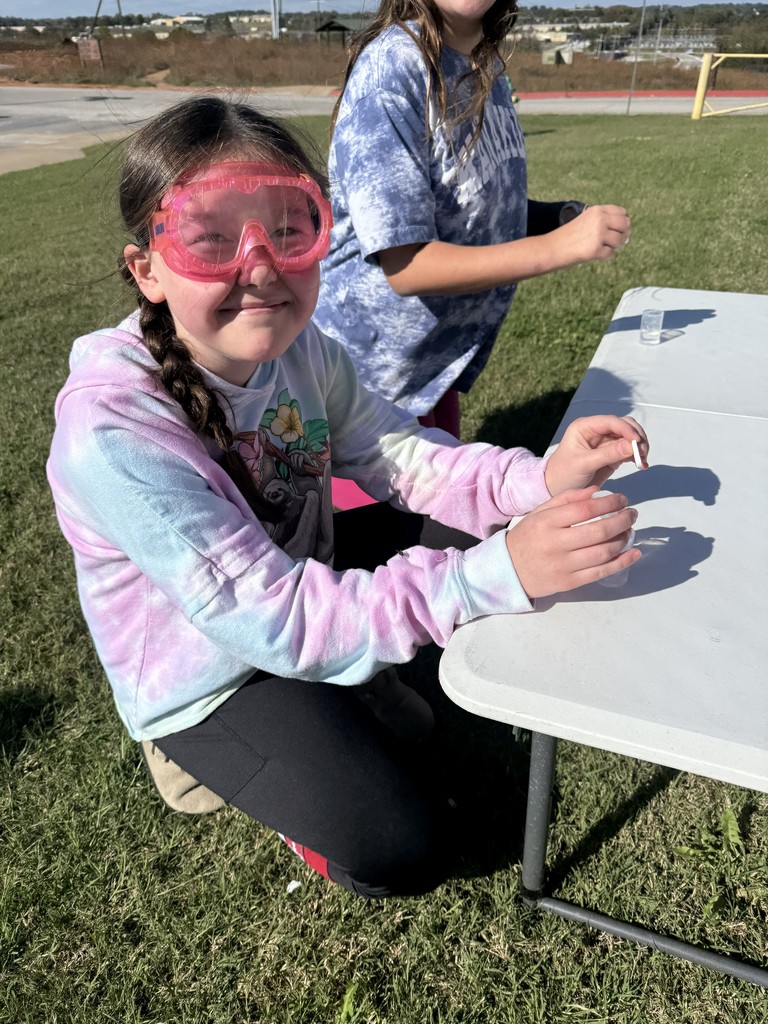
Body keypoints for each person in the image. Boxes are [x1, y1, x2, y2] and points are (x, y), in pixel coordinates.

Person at [47, 96, 647, 900]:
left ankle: (350, 685)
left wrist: (541, 479)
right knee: (400, 843)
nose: (258, 266)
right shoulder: (112, 428)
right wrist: (492, 575)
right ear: (146, 268)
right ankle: (203, 758)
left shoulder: (307, 348)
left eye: (287, 229)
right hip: (215, 672)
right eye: (210, 237)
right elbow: (273, 620)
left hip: (300, 579)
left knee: (491, 534)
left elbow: (401, 456)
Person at [313, 0, 632, 507]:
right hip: (372, 380)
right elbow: (406, 262)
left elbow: (469, 203)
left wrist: (553, 217)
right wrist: (557, 247)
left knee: (445, 516)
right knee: (382, 552)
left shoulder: (482, 68)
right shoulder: (394, 64)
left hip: (434, 364)